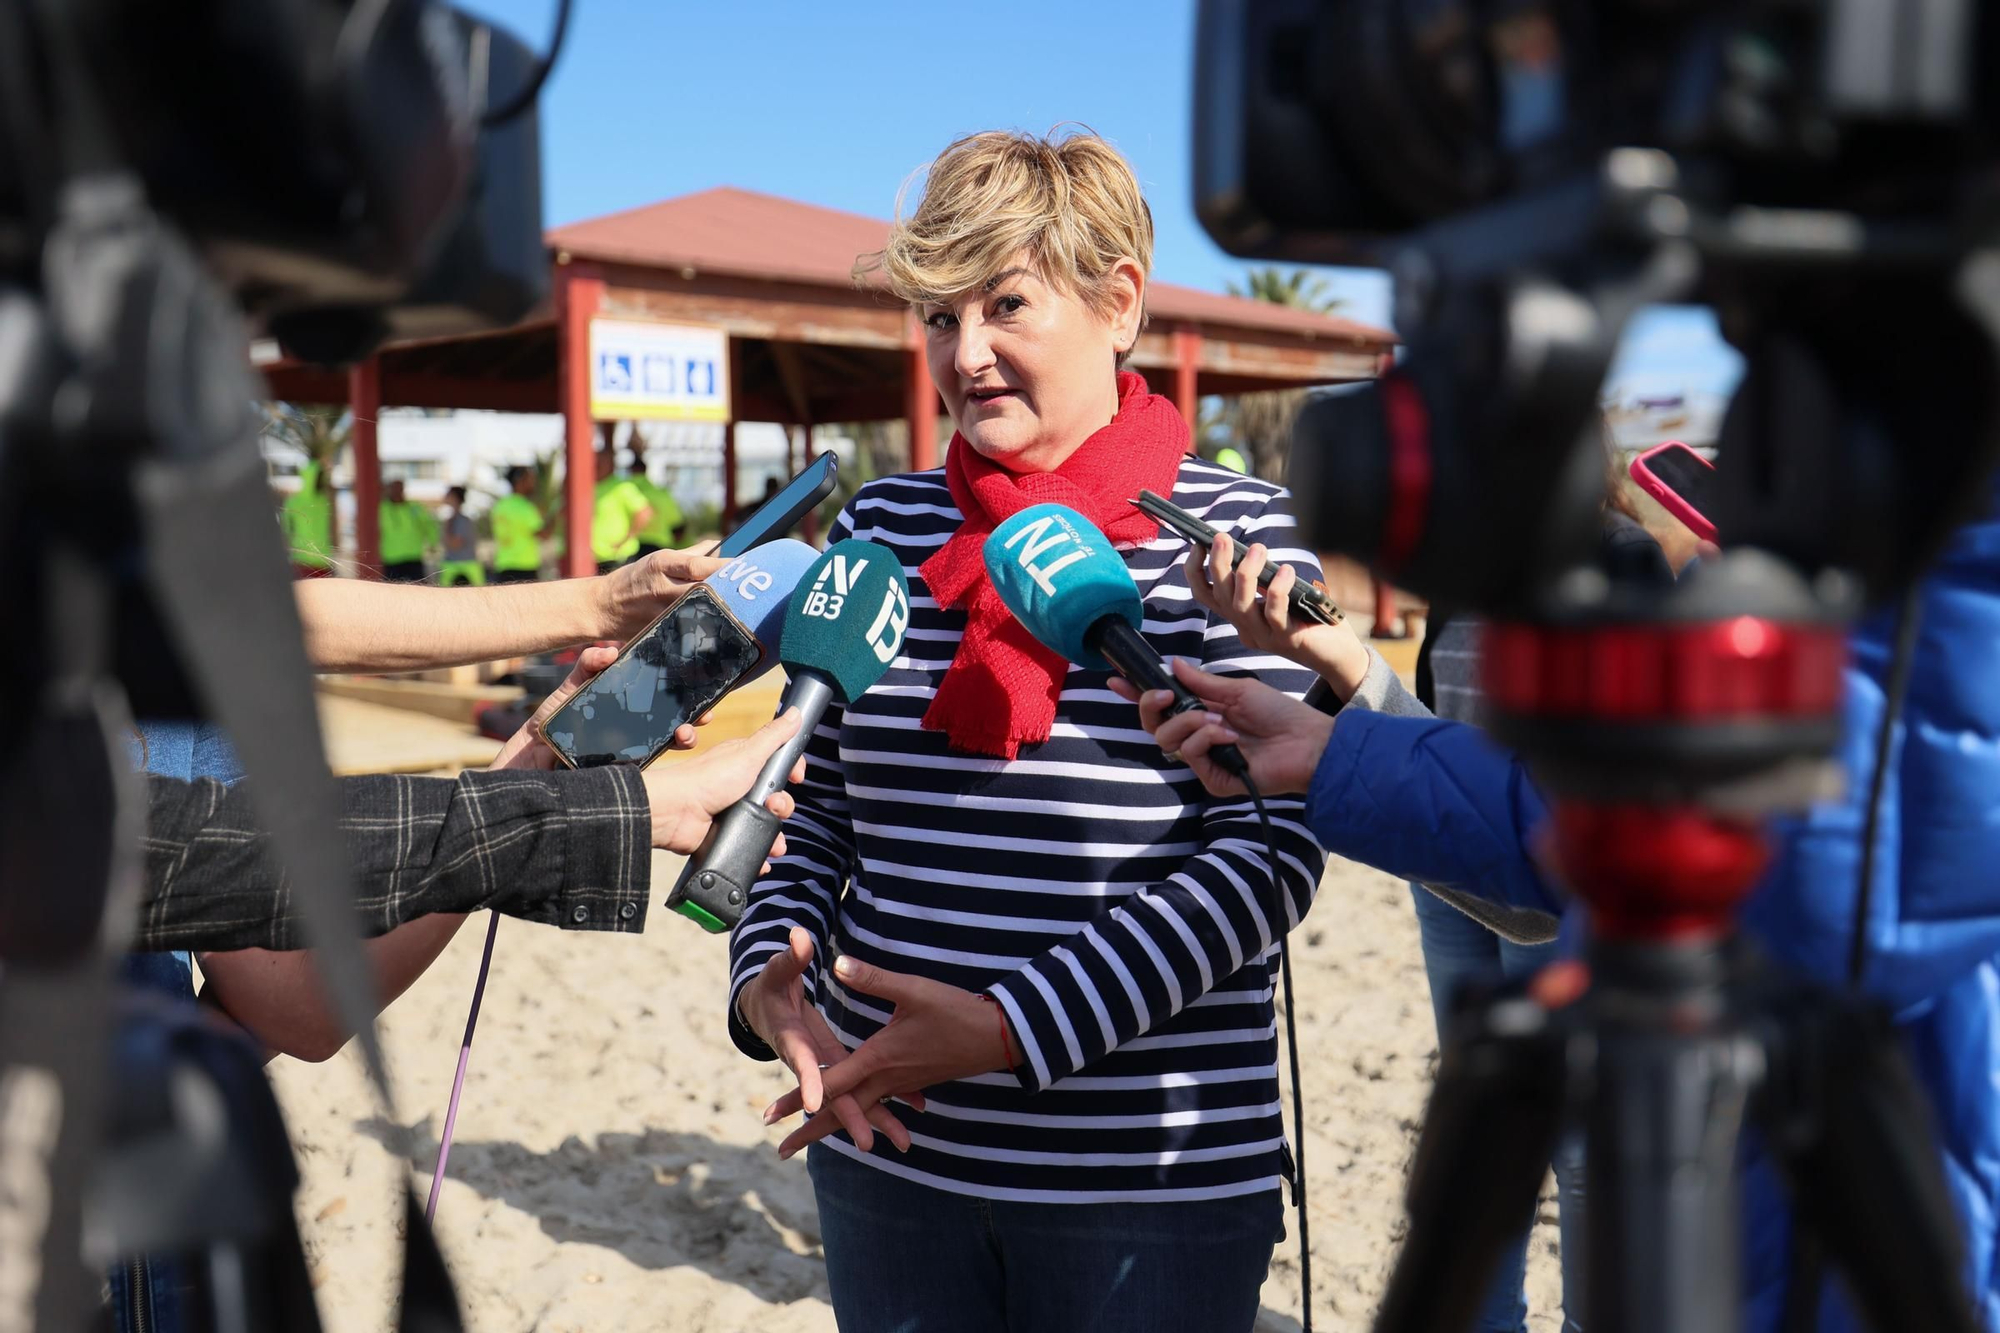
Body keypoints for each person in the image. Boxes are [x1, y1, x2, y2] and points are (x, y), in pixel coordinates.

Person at [1119, 484, 2000, 1332]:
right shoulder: (1484, 574)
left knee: (1593, 1155)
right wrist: (1338, 731)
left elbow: (1752, 817)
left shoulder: (1633, 559)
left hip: (1594, 902)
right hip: (1463, 853)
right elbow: (1585, 785)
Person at [729, 129, 1328, 1333]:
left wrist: (1014, 1028)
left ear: (1118, 304)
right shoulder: (885, 524)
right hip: (884, 1151)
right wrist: (768, 979)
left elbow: (1271, 852)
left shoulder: (1236, 538)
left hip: (1143, 1184)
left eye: (1004, 304)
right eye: (939, 318)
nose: (966, 353)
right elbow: (818, 801)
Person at [592, 443, 653, 574]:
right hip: (595, 558)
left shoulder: (622, 486)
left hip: (617, 558)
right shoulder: (590, 487)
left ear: (610, 465)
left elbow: (644, 512)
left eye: (599, 463)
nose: (595, 466)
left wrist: (626, 538)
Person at [629, 434, 685, 557]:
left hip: (630, 547)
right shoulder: (661, 494)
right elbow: (677, 524)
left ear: (630, 471)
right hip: (659, 546)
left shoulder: (623, 490)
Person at [280, 458, 335, 579]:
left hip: (317, 560)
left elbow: (286, 532)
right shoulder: (324, 502)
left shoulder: (294, 502)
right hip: (306, 561)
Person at [491, 465, 545, 583]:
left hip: (503, 567)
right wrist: (556, 513)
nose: (533, 483)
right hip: (525, 568)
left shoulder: (500, 505)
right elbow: (543, 534)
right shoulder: (525, 507)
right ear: (520, 481)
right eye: (530, 479)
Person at [378, 477, 438, 582]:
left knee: (418, 588)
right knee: (392, 590)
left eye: (399, 488)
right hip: (391, 557)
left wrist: (433, 542)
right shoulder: (382, 508)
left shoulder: (414, 507)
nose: (396, 491)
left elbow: (428, 524)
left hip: (413, 555)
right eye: (393, 488)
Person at [437, 485, 484, 587]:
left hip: (464, 567)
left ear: (455, 497)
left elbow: (455, 544)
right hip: (455, 565)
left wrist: (446, 530)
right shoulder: (452, 519)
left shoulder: (463, 521)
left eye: (449, 493)